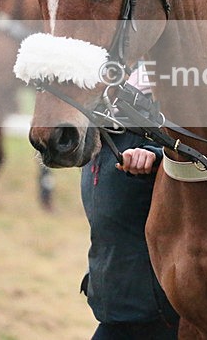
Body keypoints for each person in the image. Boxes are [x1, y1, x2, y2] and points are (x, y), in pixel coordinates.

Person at [80, 69, 179, 340]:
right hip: (113, 302)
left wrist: (156, 157)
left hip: (160, 313)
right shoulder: (96, 126)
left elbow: (195, 153)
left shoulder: (162, 93)